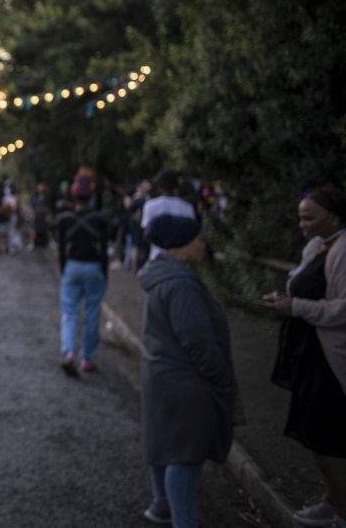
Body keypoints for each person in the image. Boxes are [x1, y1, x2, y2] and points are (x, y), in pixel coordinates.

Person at [139, 214, 236, 528]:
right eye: (198, 239)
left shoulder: (161, 274)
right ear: (180, 246)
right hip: (185, 381)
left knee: (164, 443)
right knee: (184, 454)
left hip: (161, 373)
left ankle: (161, 505)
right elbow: (197, 340)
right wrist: (220, 375)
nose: (203, 244)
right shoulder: (180, 283)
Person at [265, 186, 346, 528]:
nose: (302, 225)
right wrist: (286, 300)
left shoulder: (343, 250)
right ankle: (333, 501)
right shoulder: (317, 245)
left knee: (327, 438)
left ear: (336, 217)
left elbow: (343, 308)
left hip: (329, 360)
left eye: (309, 218)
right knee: (315, 436)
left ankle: (342, 512)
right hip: (309, 354)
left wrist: (296, 306)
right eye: (300, 218)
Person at [54, 173, 109, 376]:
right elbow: (104, 250)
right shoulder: (100, 219)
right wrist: (104, 273)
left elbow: (61, 249)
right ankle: (87, 357)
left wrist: (63, 269)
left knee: (69, 311)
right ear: (91, 195)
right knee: (92, 312)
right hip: (94, 267)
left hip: (72, 266)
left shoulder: (64, 219)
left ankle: (69, 352)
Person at [141, 169, 196, 262]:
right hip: (181, 258)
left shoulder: (150, 205)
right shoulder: (188, 207)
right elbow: (191, 235)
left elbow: (146, 234)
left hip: (157, 256)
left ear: (160, 186)